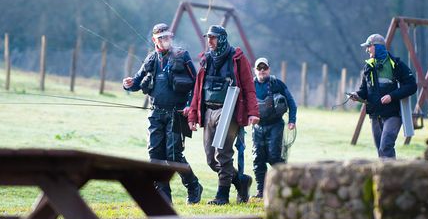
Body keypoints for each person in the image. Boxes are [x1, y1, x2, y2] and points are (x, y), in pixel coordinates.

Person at [122, 23, 203, 204]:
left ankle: (193, 186)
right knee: (155, 156)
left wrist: (190, 105)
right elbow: (136, 82)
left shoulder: (182, 56)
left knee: (173, 155)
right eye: (161, 38)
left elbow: (196, 84)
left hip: (176, 113)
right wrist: (128, 83)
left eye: (168, 37)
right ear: (154, 40)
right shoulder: (151, 59)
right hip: (156, 114)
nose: (165, 41)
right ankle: (165, 199)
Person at [187, 25, 259, 205]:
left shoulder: (237, 58)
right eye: (208, 38)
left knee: (223, 153)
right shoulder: (207, 59)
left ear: (222, 38)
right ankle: (240, 181)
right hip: (208, 111)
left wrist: (253, 113)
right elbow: (198, 89)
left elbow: (249, 88)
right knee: (211, 159)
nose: (210, 41)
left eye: (213, 37)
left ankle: (222, 195)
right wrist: (193, 115)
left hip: (230, 110)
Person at [349, 34, 416, 158]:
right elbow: (364, 90)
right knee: (380, 151)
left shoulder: (396, 64)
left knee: (385, 147)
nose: (367, 50)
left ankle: (392, 176)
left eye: (369, 46)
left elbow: (412, 86)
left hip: (393, 114)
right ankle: (385, 176)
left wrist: (392, 96)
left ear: (378, 47)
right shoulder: (368, 66)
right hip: (375, 115)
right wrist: (357, 95)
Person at [251, 57, 297, 199]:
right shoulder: (250, 85)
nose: (262, 71)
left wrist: (292, 120)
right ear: (255, 70)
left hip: (275, 125)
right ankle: (261, 191)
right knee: (258, 159)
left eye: (265, 68)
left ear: (269, 69)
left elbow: (291, 102)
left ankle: (282, 187)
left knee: (274, 157)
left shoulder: (278, 84)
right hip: (257, 126)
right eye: (259, 68)